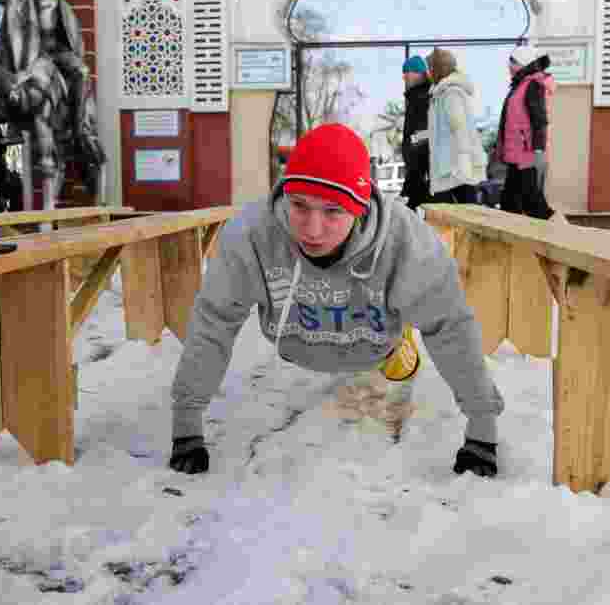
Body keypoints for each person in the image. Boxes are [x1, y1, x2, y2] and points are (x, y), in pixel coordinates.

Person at [168, 123, 504, 478]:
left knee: (414, 325)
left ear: (359, 209)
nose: (312, 230)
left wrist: (481, 427)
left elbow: (450, 326)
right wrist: (187, 422)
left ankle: (400, 330)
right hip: (295, 343)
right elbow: (214, 321)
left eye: (332, 211)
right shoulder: (252, 235)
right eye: (299, 206)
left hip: (375, 346)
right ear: (284, 197)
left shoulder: (406, 242)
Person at [494, 46, 558, 221]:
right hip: (516, 152)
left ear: (522, 64)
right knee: (509, 200)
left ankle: (560, 231)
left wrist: (538, 149)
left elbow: (539, 118)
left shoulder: (531, 85)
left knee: (532, 202)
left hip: (526, 152)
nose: (509, 66)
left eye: (512, 62)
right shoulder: (519, 85)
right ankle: (512, 235)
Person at [425, 48, 485, 205]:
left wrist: (463, 164)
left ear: (439, 68)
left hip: (453, 168)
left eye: (430, 68)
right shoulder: (440, 94)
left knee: (464, 211)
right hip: (448, 166)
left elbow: (460, 128)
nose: (428, 73)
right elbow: (438, 130)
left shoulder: (450, 94)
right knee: (460, 210)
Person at [399, 55, 432, 210]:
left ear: (419, 73)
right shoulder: (415, 96)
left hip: (420, 168)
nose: (404, 76)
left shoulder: (423, 96)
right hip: (416, 168)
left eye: (407, 72)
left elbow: (426, 132)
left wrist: (412, 143)